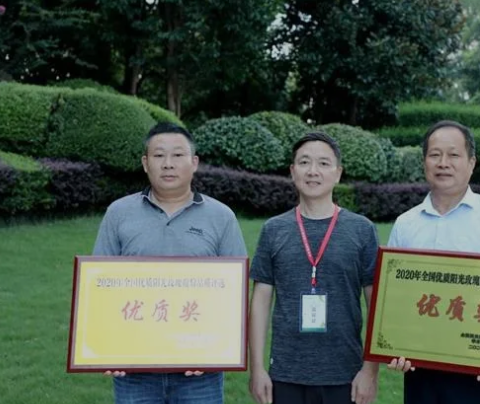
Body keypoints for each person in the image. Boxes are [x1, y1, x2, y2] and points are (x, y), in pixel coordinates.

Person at [92, 122, 247, 404]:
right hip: (134, 366)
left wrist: (216, 350)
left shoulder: (221, 217)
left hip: (199, 370)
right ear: (145, 163)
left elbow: (235, 293)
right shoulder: (119, 213)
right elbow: (99, 288)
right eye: (159, 155)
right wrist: (108, 348)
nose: (168, 164)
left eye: (177, 155)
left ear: (194, 162)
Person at [386, 120, 480, 404]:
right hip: (420, 366)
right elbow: (394, 297)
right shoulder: (406, 223)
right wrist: (393, 344)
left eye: (453, 155)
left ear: (471, 163)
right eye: (435, 155)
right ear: (424, 162)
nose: (443, 163)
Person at [248, 132, 380, 404]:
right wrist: (257, 369)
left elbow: (376, 305)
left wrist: (370, 371)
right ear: (292, 171)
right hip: (285, 373)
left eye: (323, 163)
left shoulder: (362, 230)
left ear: (338, 173)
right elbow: (260, 301)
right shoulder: (274, 229)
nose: (313, 171)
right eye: (304, 162)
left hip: (346, 375)